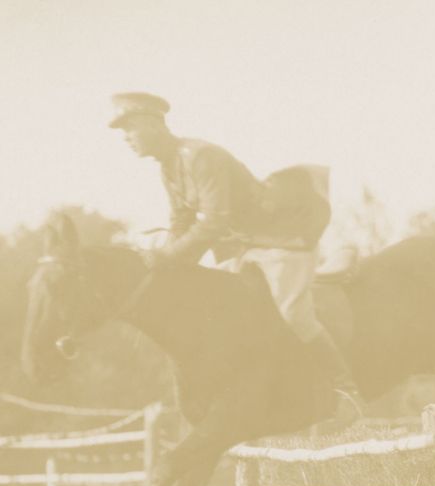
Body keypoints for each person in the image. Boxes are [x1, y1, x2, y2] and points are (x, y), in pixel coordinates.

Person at [108, 91, 362, 415]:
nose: (126, 139)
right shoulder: (168, 167)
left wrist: (169, 257)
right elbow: (181, 220)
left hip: (282, 238)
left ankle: (344, 386)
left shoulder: (200, 156)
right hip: (245, 245)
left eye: (130, 129)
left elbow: (214, 220)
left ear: (153, 125)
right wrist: (166, 265)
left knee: (291, 314)